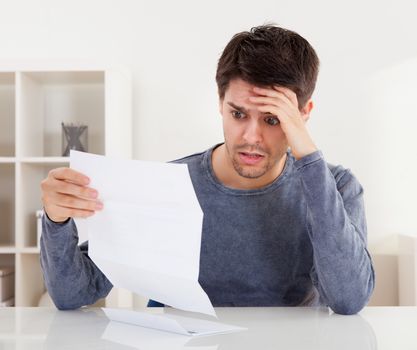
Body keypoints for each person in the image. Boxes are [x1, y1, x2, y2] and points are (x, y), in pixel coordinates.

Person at [40, 24, 375, 315]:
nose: (251, 137)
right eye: (238, 114)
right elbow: (73, 295)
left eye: (273, 120)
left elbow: (348, 300)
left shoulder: (336, 186)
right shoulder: (167, 184)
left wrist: (309, 160)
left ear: (303, 115)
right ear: (220, 104)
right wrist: (56, 221)